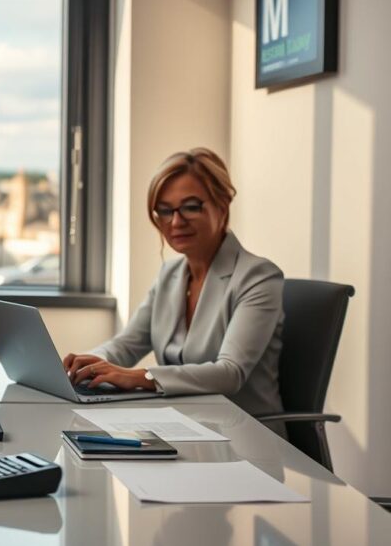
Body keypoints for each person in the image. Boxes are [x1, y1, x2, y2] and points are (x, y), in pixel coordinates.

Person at [63, 147, 285, 420]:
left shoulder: (258, 277)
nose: (176, 221)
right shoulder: (170, 274)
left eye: (191, 207)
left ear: (222, 205)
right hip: (182, 424)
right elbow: (126, 345)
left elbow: (230, 373)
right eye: (165, 211)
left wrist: (138, 377)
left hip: (244, 435)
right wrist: (83, 366)